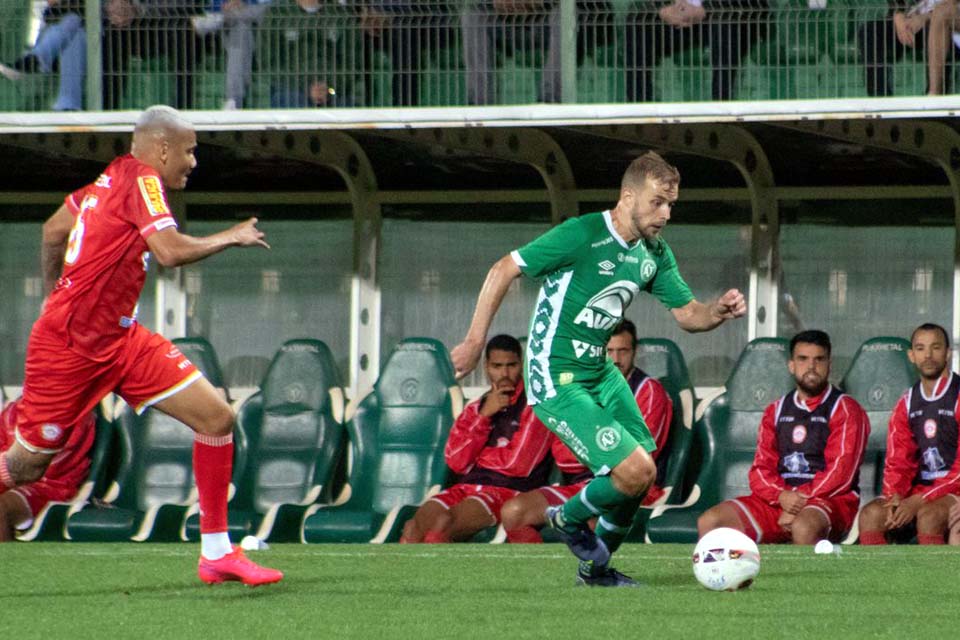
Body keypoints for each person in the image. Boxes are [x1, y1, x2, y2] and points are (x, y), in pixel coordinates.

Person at [0, 105, 282, 586]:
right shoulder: (143, 180)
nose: (194, 161)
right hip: (69, 348)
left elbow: (53, 230)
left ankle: (216, 553)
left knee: (217, 418)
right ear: (164, 147)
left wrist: (54, 295)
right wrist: (231, 237)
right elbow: (169, 252)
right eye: (190, 151)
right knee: (25, 466)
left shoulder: (108, 179)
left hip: (121, 338)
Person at [451, 151, 747, 587]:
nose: (665, 214)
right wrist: (476, 340)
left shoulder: (653, 254)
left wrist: (717, 311)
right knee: (631, 472)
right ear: (628, 196)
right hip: (555, 374)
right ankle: (567, 519)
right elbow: (504, 268)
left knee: (641, 475)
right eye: (656, 203)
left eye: (671, 205)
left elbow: (688, 315)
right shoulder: (583, 234)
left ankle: (595, 569)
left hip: (599, 369)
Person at [500, 319, 673, 543]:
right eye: (609, 351)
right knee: (514, 512)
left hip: (627, 489)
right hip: (582, 485)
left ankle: (595, 572)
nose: (616, 359)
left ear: (634, 351)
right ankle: (541, 576)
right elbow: (562, 456)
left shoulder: (648, 391)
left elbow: (641, 458)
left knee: (592, 520)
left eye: (623, 351)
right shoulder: (581, 388)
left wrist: (589, 443)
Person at [697, 330, 870, 545]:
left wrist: (798, 502)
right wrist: (781, 497)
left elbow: (841, 473)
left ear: (829, 364)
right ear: (791, 365)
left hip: (830, 501)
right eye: (803, 359)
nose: (811, 367)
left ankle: (805, 580)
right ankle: (726, 578)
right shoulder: (776, 410)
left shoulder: (845, 408)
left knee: (804, 526)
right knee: (711, 521)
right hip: (780, 499)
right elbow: (760, 470)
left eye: (819, 359)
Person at [400, 334, 554, 543]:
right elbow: (455, 461)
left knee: (442, 525)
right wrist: (483, 417)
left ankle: (442, 576)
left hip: (507, 492)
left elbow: (518, 465)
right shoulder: (476, 407)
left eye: (512, 365)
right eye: (497, 366)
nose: (505, 373)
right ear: (486, 367)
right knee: (413, 527)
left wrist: (477, 457)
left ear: (522, 364)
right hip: (466, 487)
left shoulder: (536, 405)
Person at [859, 323, 960, 545]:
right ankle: (878, 579)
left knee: (929, 516)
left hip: (954, 490)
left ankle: (934, 579)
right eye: (921, 348)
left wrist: (919, 500)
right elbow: (898, 462)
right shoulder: (906, 402)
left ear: (948, 353)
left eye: (935, 348)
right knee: (872, 515)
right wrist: (895, 495)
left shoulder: (957, 395)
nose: (928, 355)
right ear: (911, 355)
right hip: (919, 492)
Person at [625, 0, 767, 102]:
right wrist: (662, 10)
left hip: (723, 17)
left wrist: (705, 9)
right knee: (637, 22)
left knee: (725, 26)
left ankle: (722, 105)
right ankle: (639, 104)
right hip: (680, 19)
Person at [0, 398, 95, 542]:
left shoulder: (74, 415)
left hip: (48, 487)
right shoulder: (12, 410)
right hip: (10, 479)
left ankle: (7, 564)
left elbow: (38, 468)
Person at [102, 1, 208, 110]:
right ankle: (107, 109)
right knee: (112, 36)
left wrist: (138, 9)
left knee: (184, 32)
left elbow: (189, 6)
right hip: (137, 23)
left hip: (175, 22)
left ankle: (182, 110)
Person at [0, 1, 86, 111]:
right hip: (58, 34)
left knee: (73, 21)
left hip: (95, 35)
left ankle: (34, 61)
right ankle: (68, 105)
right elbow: (50, 11)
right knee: (74, 29)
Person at [191, 0, 273, 109]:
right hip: (233, 18)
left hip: (259, 7)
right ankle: (234, 99)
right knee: (241, 31)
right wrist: (223, 5)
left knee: (238, 25)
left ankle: (211, 22)